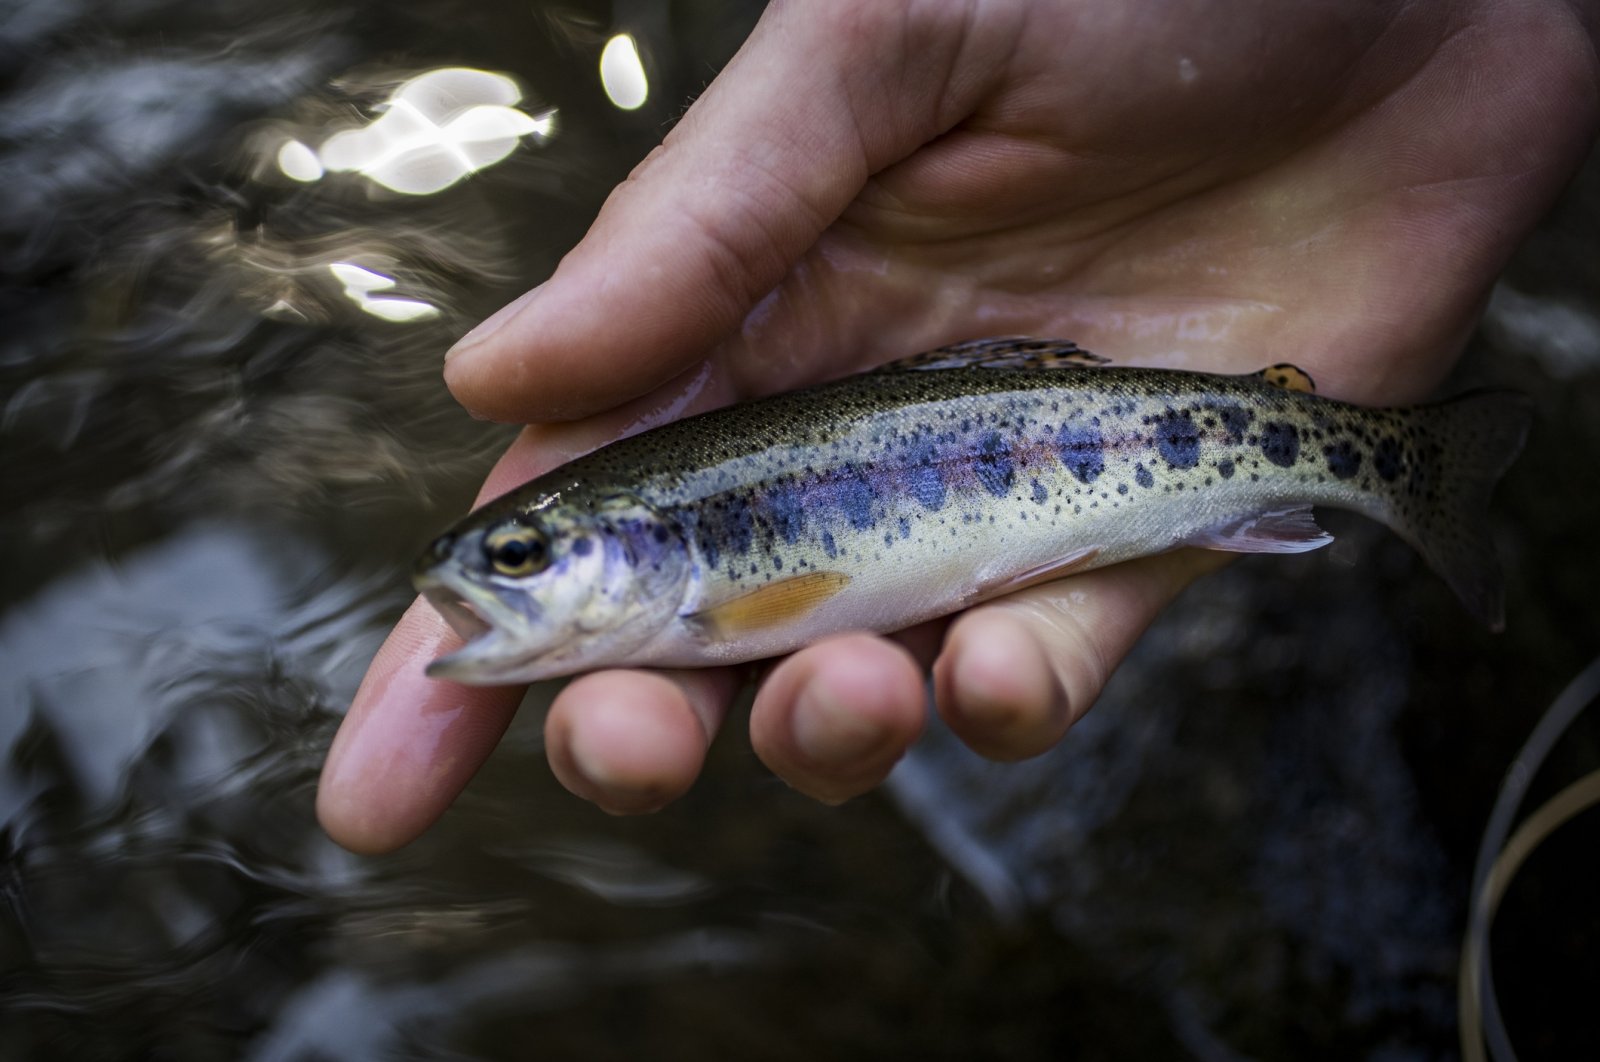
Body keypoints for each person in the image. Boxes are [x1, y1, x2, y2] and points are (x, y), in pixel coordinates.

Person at [318, 0, 1600, 851]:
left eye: (521, 558)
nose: (488, 585)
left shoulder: (719, 594)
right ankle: (1399, 462)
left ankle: (1404, 463)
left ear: (623, 536)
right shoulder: (687, 583)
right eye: (511, 568)